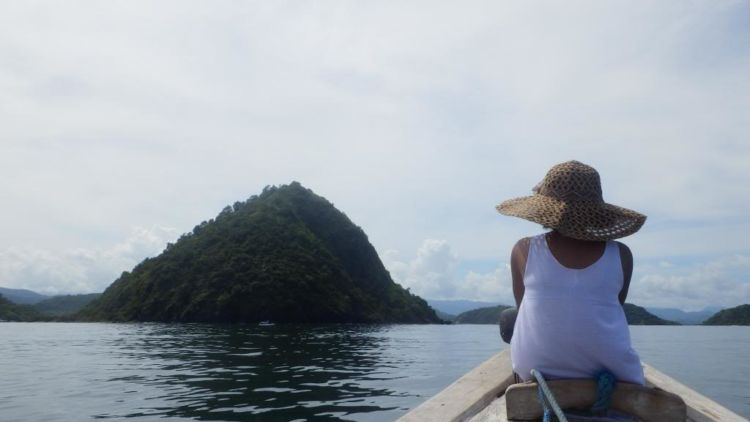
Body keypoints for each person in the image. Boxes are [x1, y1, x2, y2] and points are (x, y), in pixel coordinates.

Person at [496, 160, 646, 385]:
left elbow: (523, 307)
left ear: (545, 209)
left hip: (536, 374)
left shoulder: (524, 250)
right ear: (597, 211)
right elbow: (614, 306)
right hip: (612, 374)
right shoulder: (622, 254)